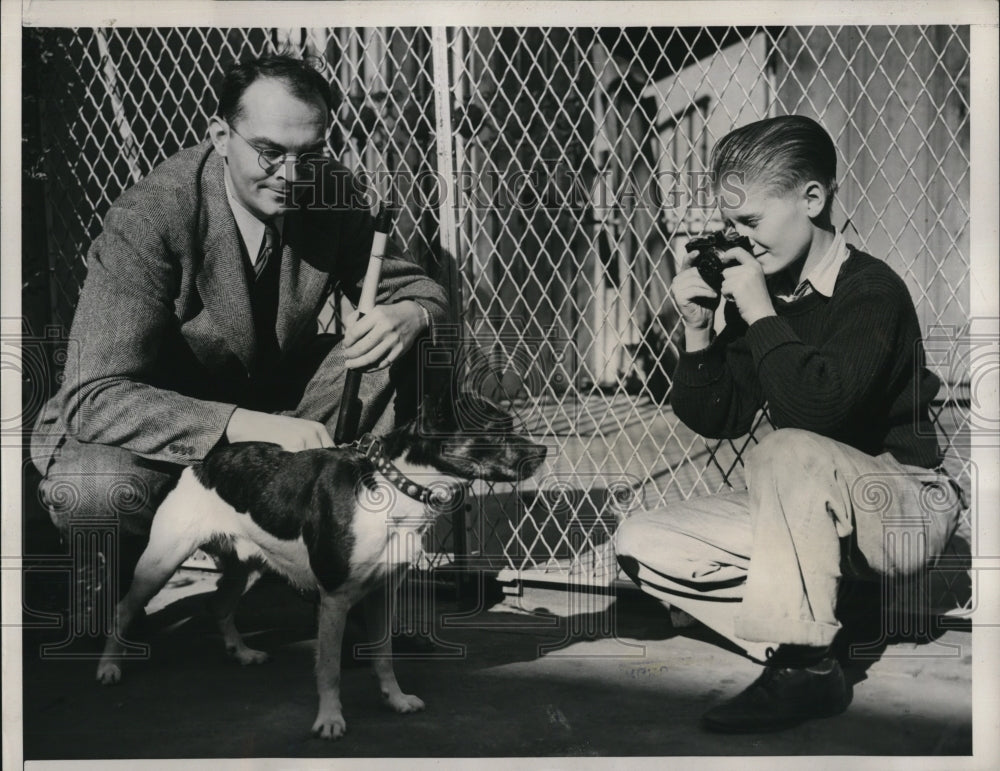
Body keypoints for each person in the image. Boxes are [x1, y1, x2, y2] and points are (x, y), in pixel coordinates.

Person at [30, 55, 449, 591]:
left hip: (276, 405)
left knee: (394, 354)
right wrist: (248, 424)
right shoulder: (151, 217)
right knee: (99, 487)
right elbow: (93, 397)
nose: (293, 177)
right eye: (270, 153)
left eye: (311, 154)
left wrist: (408, 314)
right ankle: (107, 597)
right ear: (221, 135)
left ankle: (332, 568)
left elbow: (420, 291)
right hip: (152, 431)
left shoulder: (326, 190)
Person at [614, 115, 963, 732]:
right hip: (811, 516)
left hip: (902, 504)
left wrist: (754, 308)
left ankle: (805, 671)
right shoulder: (772, 297)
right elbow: (717, 417)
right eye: (730, 227)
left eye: (750, 223)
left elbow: (817, 411)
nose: (739, 242)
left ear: (813, 199)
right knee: (642, 541)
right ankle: (832, 627)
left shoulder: (872, 291)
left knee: (785, 449)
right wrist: (698, 332)